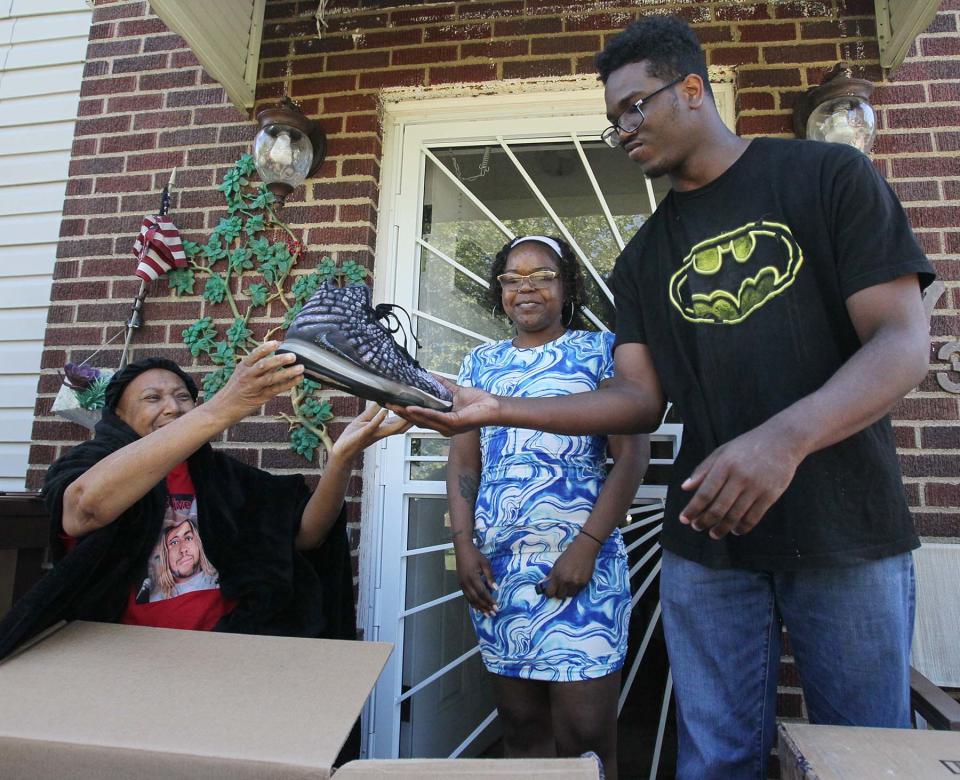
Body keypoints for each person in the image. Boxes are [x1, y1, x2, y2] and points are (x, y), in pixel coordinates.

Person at [396, 15, 935, 780]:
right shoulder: (645, 257)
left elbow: (901, 345)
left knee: (865, 758)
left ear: (692, 89)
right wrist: (498, 408)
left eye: (635, 106)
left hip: (845, 527)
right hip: (706, 545)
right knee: (714, 760)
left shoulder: (826, 177)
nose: (622, 128)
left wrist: (782, 440)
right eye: (613, 117)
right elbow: (637, 402)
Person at [0, 343, 410, 656]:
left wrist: (341, 459)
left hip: (221, 656)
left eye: (182, 396)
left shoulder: (222, 477)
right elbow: (83, 509)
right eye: (152, 398)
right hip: (117, 655)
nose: (173, 407)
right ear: (118, 418)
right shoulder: (90, 466)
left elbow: (307, 537)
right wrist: (220, 410)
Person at [448, 235, 647, 779]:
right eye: (512, 279)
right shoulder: (480, 363)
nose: (525, 288)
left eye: (542, 276)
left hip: (583, 568)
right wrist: (464, 548)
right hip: (501, 573)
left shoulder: (599, 351)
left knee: (586, 737)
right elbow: (465, 465)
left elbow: (631, 457)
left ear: (567, 287)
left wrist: (586, 548)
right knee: (520, 728)